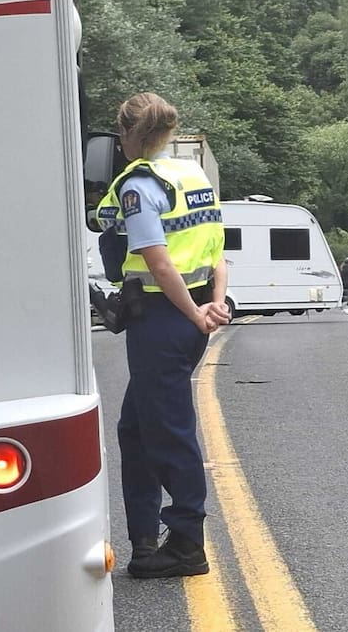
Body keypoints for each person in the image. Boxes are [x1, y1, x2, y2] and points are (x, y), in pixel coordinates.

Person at [94, 92, 230, 578]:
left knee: (169, 432)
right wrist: (214, 303)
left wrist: (196, 313)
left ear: (127, 134)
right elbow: (217, 251)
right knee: (136, 428)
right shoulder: (194, 177)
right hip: (184, 317)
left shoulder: (140, 186)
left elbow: (157, 259)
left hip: (162, 319)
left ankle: (186, 543)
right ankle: (147, 539)